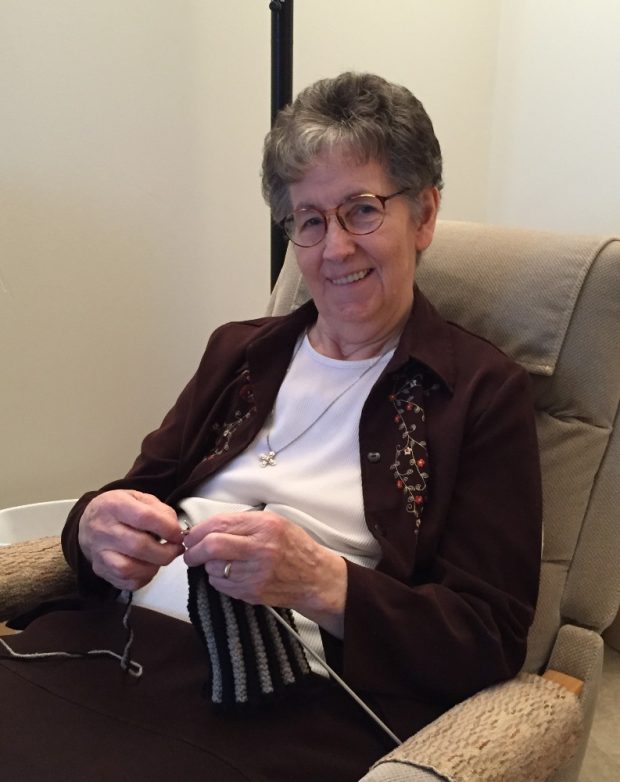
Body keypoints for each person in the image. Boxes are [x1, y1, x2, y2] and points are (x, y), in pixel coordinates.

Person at [0, 73, 542, 782]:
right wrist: (95, 525)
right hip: (111, 645)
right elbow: (136, 494)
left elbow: (488, 638)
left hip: (290, 702)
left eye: (362, 210)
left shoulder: (478, 390)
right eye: (310, 220)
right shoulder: (241, 352)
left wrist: (323, 581)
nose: (335, 248)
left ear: (426, 214)